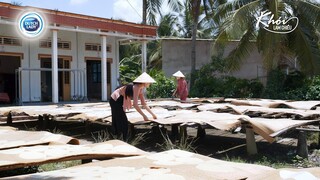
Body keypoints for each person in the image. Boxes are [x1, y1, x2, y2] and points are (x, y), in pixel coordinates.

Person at [109, 72, 157, 140]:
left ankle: (117, 136)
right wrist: (144, 116)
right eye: (149, 82)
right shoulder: (136, 87)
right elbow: (135, 105)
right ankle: (123, 139)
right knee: (121, 120)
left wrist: (153, 115)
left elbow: (144, 104)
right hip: (115, 99)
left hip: (120, 99)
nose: (150, 84)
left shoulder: (140, 88)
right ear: (144, 82)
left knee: (118, 118)